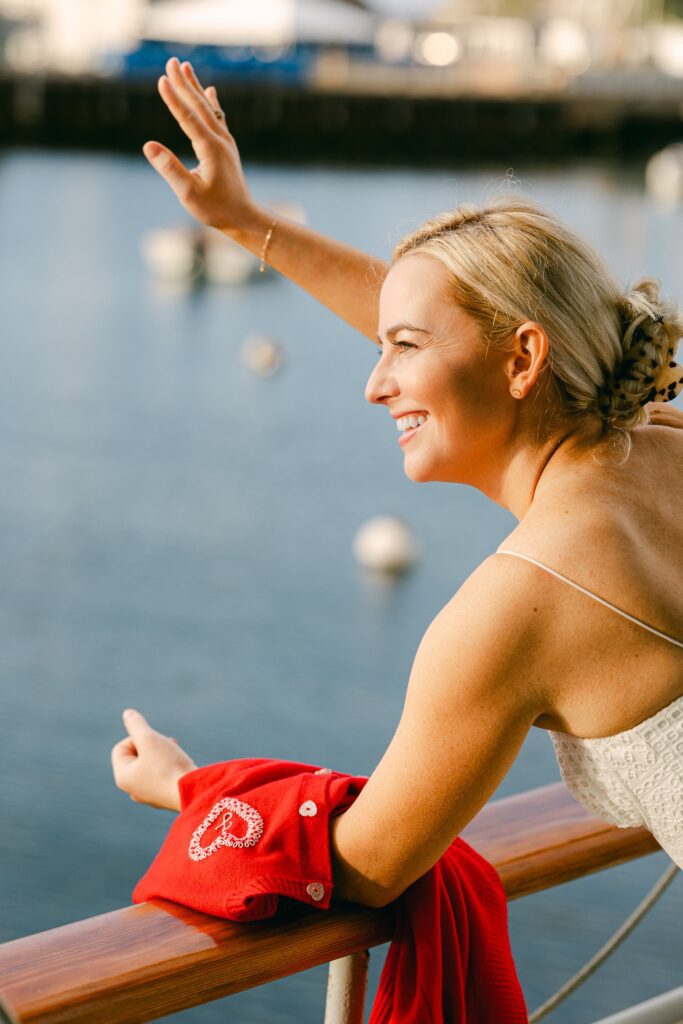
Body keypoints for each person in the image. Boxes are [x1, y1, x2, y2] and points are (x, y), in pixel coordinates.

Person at [112, 58, 683, 903]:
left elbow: (359, 870)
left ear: (525, 358)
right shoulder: (658, 441)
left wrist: (191, 790)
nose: (373, 384)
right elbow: (467, 319)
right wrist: (245, 224)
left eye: (402, 350)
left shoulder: (519, 605)